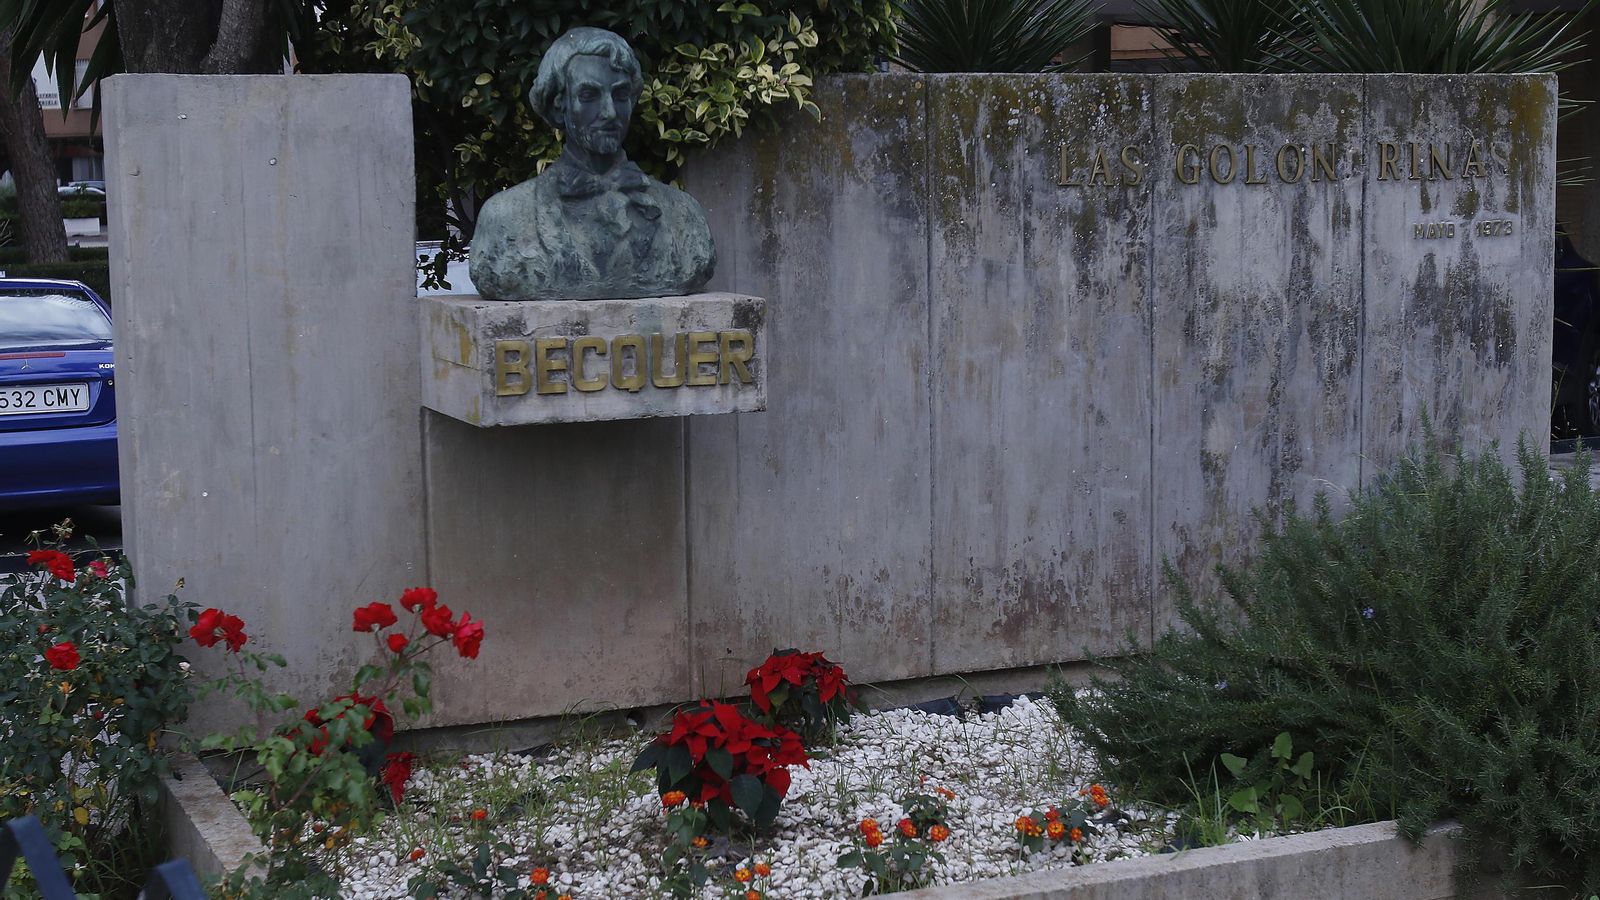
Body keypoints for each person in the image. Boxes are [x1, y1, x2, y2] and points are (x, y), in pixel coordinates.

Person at [469, 27, 716, 301]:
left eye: (621, 95)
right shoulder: (503, 219)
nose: (610, 112)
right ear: (558, 106)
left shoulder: (684, 216)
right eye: (589, 96)